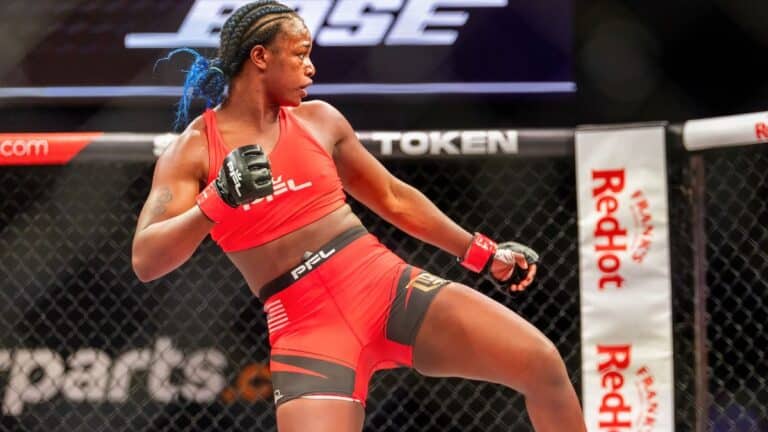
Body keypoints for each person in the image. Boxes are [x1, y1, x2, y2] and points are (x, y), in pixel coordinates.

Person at [131, 1, 586, 431]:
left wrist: (482, 254)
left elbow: (393, 197)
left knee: (542, 363)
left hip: (384, 285)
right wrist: (217, 200)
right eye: (300, 54)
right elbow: (146, 260)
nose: (312, 67)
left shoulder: (320, 120)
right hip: (306, 324)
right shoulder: (194, 150)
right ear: (261, 57)